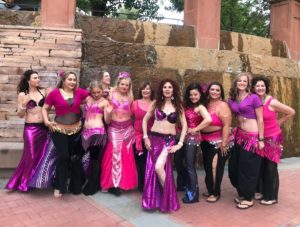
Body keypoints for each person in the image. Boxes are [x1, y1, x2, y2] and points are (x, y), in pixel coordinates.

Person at [142, 78, 187, 212]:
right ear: (162, 90)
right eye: (165, 87)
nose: (167, 89)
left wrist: (180, 143)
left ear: (174, 90)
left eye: (170, 87)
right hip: (154, 139)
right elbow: (145, 120)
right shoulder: (156, 103)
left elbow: (185, 125)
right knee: (154, 170)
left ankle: (169, 197)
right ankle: (165, 199)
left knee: (158, 167)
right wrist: (145, 137)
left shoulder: (178, 106)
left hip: (169, 140)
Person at [42, 71, 89, 197]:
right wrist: (47, 121)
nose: (72, 82)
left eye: (74, 79)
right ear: (63, 80)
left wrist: (109, 91)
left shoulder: (80, 92)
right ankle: (58, 186)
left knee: (74, 158)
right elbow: (45, 108)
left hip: (76, 130)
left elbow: (94, 94)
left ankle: (74, 185)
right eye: (70, 79)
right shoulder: (54, 93)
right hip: (59, 130)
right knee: (63, 156)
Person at [252, 76, 295, 205]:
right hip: (259, 137)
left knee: (271, 166)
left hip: (272, 138)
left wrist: (279, 121)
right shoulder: (254, 100)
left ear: (266, 87)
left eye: (262, 86)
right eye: (257, 86)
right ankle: (263, 191)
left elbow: (291, 111)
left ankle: (271, 197)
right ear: (253, 88)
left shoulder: (272, 102)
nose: (260, 88)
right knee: (262, 166)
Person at [6, 70, 49, 191]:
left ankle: (36, 181)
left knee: (41, 155)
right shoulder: (22, 94)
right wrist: (24, 104)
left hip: (44, 128)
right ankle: (24, 182)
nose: (38, 79)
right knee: (30, 155)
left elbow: (49, 107)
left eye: (38, 77)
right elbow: (20, 115)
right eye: (35, 78)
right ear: (28, 80)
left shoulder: (43, 92)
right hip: (30, 128)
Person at [228, 72, 264, 209]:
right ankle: (242, 193)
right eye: (240, 81)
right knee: (235, 167)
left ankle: (248, 198)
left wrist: (261, 139)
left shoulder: (254, 98)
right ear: (235, 82)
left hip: (252, 137)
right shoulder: (232, 99)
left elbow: (260, 119)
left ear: (248, 84)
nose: (242, 83)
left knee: (248, 168)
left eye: (245, 81)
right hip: (239, 136)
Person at [100, 71, 137, 196]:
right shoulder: (111, 94)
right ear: (118, 83)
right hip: (114, 128)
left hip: (127, 129)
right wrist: (108, 113)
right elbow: (106, 115)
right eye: (122, 84)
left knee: (125, 156)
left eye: (127, 85)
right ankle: (111, 184)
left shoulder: (130, 97)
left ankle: (121, 183)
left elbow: (133, 114)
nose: (124, 87)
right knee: (113, 154)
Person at [201, 82, 233, 202]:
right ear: (208, 91)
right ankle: (210, 189)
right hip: (205, 141)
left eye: (217, 90)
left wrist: (224, 143)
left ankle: (215, 193)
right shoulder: (205, 104)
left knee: (215, 167)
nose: (214, 92)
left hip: (219, 142)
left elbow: (226, 125)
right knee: (208, 167)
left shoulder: (223, 106)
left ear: (221, 93)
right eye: (212, 89)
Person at [180, 83, 212, 204]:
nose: (193, 97)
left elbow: (208, 120)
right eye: (191, 94)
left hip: (192, 138)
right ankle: (185, 186)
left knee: (190, 166)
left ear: (200, 95)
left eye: (195, 94)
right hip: (183, 136)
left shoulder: (200, 107)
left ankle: (193, 195)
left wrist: (195, 129)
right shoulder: (187, 106)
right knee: (182, 163)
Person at [81, 80, 109, 195]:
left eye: (98, 92)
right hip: (85, 132)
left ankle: (93, 185)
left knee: (95, 159)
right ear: (90, 91)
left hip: (97, 133)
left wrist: (109, 112)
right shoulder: (87, 99)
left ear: (102, 91)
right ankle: (80, 181)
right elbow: (77, 100)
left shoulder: (105, 102)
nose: (96, 94)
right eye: (94, 92)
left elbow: (108, 120)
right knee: (79, 156)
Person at [131, 81, 155, 192]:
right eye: (144, 88)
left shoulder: (155, 103)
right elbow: (128, 117)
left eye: (148, 89)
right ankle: (142, 185)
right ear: (141, 90)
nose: (146, 90)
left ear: (151, 91)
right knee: (139, 161)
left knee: (149, 161)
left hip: (151, 137)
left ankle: (150, 183)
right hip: (137, 136)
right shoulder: (135, 103)